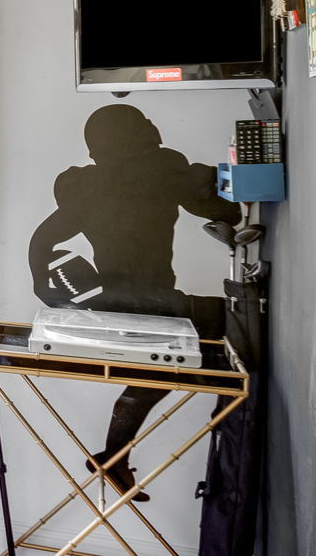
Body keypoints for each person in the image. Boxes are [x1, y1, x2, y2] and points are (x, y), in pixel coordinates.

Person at [27, 104, 237, 500]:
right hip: (155, 305)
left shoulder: (86, 185)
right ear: (131, 135)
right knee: (236, 329)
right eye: (143, 123)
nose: (154, 126)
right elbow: (225, 208)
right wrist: (224, 178)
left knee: (156, 370)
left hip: (113, 305)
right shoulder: (160, 170)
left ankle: (114, 456)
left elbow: (43, 239)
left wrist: (43, 283)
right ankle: (230, 443)